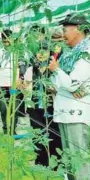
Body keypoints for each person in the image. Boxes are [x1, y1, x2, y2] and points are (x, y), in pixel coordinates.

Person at [48, 14, 90, 180]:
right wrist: (62, 81)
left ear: (78, 29)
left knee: (79, 156)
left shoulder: (86, 55)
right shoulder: (71, 54)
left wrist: (57, 72)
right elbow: (59, 84)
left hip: (76, 112)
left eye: (66, 29)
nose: (63, 33)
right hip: (65, 110)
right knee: (69, 155)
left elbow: (71, 84)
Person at [26, 27, 64, 167]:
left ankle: (55, 165)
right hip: (35, 107)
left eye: (45, 52)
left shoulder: (54, 70)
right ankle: (40, 163)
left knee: (54, 136)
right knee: (37, 135)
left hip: (52, 106)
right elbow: (24, 84)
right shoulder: (31, 69)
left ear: (50, 53)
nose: (41, 54)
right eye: (38, 52)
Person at [0, 29, 26, 134]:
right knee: (3, 107)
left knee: (14, 107)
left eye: (9, 41)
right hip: (2, 86)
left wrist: (20, 78)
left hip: (14, 86)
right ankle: (6, 128)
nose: (7, 43)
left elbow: (23, 66)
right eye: (5, 41)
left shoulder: (19, 51)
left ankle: (13, 129)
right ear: (2, 41)